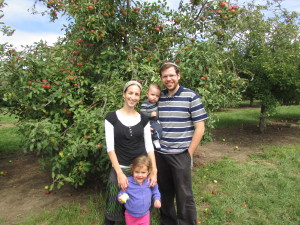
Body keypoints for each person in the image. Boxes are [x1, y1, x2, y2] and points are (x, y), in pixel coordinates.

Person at [156, 62, 209, 225]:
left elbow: (200, 127)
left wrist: (189, 153)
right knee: (164, 192)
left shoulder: (191, 96)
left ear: (178, 76)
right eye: (165, 76)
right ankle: (168, 221)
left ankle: (186, 222)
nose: (168, 79)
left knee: (184, 194)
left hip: (181, 154)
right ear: (161, 78)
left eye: (171, 75)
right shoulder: (159, 97)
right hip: (161, 154)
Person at [104, 81, 158, 225]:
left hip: (141, 169)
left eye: (136, 94)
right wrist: (120, 174)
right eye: (130, 93)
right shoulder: (111, 118)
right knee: (113, 205)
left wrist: (154, 170)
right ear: (124, 94)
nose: (133, 97)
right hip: (120, 167)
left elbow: (149, 146)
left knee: (140, 203)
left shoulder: (144, 119)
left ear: (139, 97)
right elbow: (110, 148)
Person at [118, 155, 161, 225]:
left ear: (148, 171)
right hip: (130, 215)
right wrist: (121, 198)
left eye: (143, 172)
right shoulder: (128, 182)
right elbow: (122, 192)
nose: (140, 175)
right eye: (137, 172)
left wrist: (157, 199)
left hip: (145, 215)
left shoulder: (150, 181)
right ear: (133, 170)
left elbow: (155, 191)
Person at [140, 83, 163, 149]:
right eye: (152, 94)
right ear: (147, 94)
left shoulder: (156, 103)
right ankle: (155, 140)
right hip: (149, 121)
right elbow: (142, 113)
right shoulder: (146, 103)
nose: (154, 97)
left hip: (156, 120)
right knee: (157, 129)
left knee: (159, 128)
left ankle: (156, 139)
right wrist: (150, 114)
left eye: (157, 96)